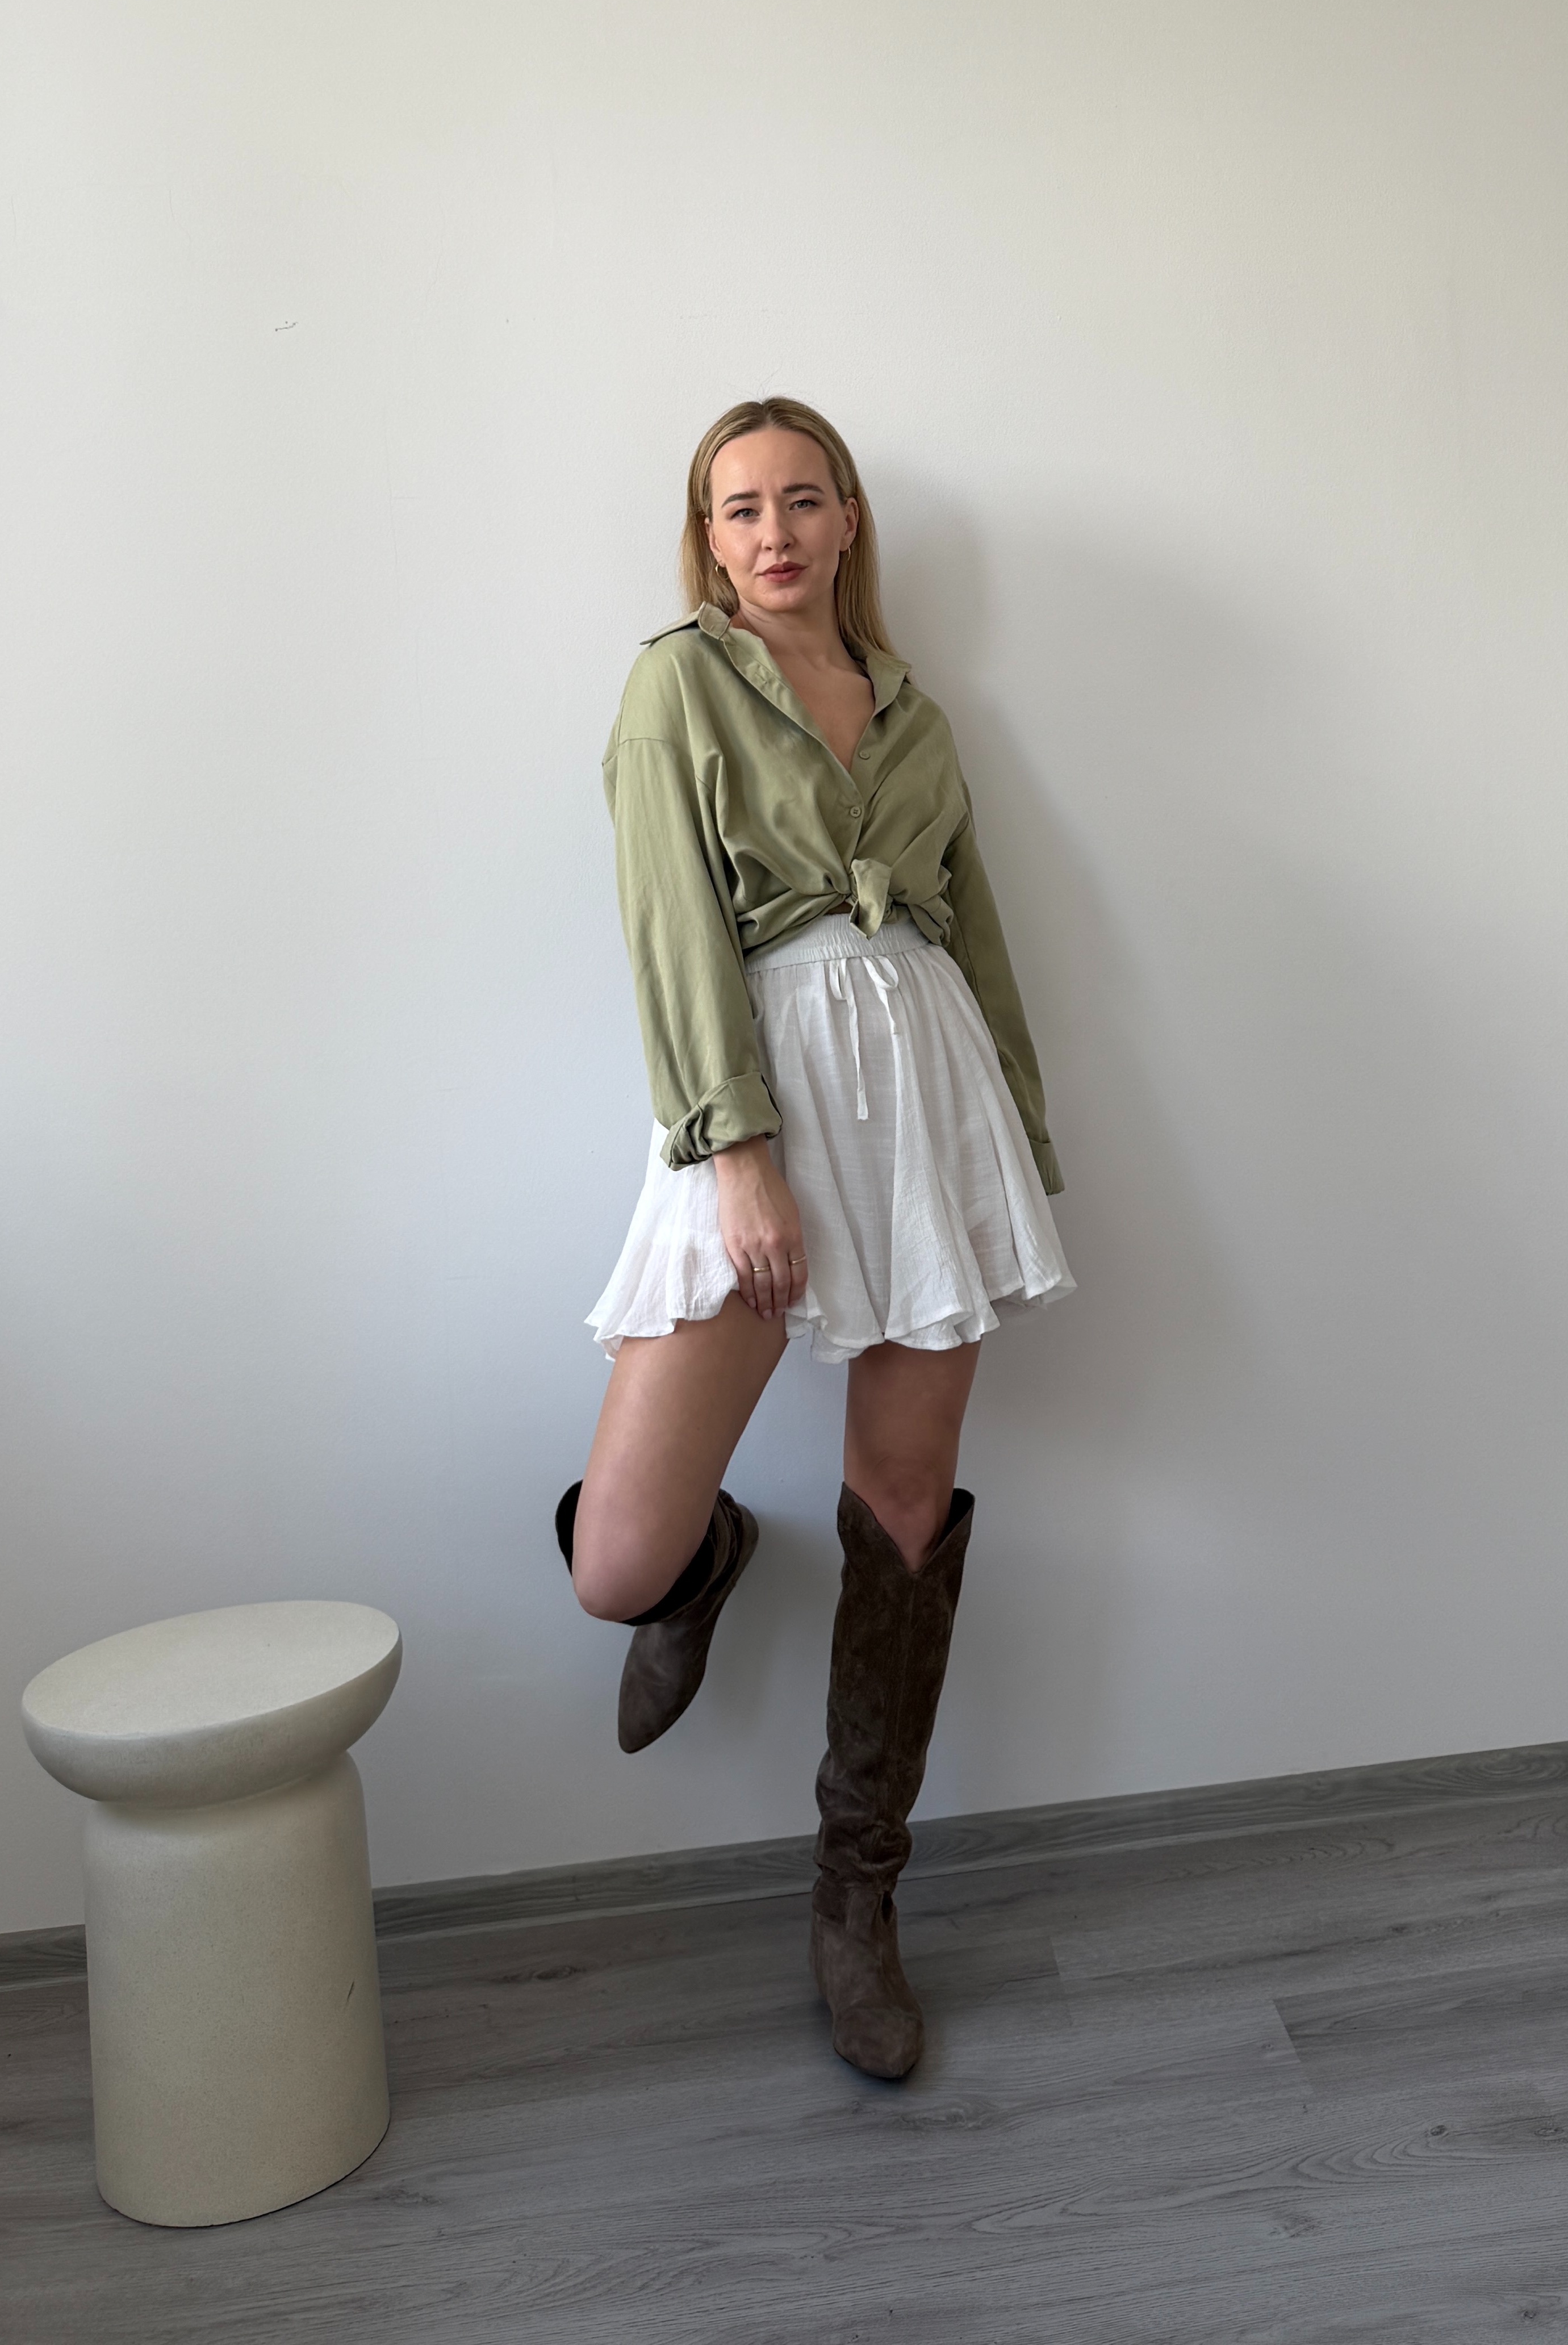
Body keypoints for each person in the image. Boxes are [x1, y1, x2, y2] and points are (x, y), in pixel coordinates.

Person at [555, 396, 1074, 2079]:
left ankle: (859, 1900)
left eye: (800, 499)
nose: (771, 533)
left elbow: (971, 937)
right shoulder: (677, 687)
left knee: (905, 1505)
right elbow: (671, 931)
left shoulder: (920, 711)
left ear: (848, 518)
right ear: (705, 537)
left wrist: (1015, 1144)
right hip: (762, 1107)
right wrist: (741, 1156)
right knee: (613, 1566)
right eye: (738, 508)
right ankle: (706, 1563)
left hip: (930, 1111)